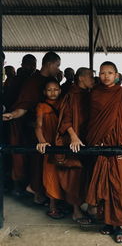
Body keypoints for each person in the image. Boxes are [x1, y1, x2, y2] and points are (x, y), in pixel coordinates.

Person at [85, 61, 122, 243]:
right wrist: (95, 138)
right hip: (101, 144)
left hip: (119, 143)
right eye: (103, 73)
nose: (106, 76)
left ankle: (118, 225)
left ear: (116, 75)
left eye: (110, 73)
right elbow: (93, 119)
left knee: (119, 187)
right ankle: (107, 222)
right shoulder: (95, 93)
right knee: (103, 184)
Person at [3, 51, 61, 203]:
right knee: (36, 161)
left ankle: (46, 193)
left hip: (51, 128)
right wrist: (13, 114)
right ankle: (36, 191)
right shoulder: (33, 82)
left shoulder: (52, 80)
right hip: (33, 128)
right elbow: (24, 104)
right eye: (57, 65)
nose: (58, 69)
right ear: (49, 64)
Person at [55, 67, 95, 224]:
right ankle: (76, 212)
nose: (93, 79)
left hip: (87, 140)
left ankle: (87, 206)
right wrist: (73, 137)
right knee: (75, 176)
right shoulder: (72, 95)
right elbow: (66, 120)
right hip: (75, 141)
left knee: (87, 174)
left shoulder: (88, 94)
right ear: (81, 78)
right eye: (91, 77)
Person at [35, 80, 65, 219]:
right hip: (49, 145)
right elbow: (38, 125)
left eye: (55, 89)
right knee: (51, 175)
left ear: (60, 90)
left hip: (63, 144)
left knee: (63, 175)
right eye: (49, 90)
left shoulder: (64, 104)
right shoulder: (41, 106)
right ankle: (53, 207)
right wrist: (42, 141)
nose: (52, 92)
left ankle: (64, 203)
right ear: (44, 92)